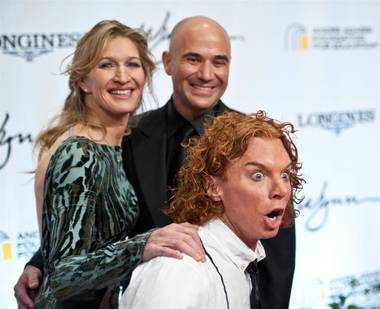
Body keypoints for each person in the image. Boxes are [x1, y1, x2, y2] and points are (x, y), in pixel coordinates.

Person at [15, 16, 296, 308]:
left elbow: (276, 250)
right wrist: (41, 262)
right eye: (193, 59)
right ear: (168, 63)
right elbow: (89, 215)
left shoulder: (255, 141)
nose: (206, 74)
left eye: (219, 61)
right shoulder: (128, 135)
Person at [18, 20, 203, 309]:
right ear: (82, 80)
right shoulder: (80, 153)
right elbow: (62, 274)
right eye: (106, 65)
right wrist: (141, 246)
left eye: (132, 64)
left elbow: (71, 236)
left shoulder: (116, 141)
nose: (122, 76)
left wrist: (37, 260)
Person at [120, 111, 304, 308]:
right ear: (213, 187)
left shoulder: (241, 265)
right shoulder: (180, 272)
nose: (281, 190)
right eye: (258, 175)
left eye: (285, 175)